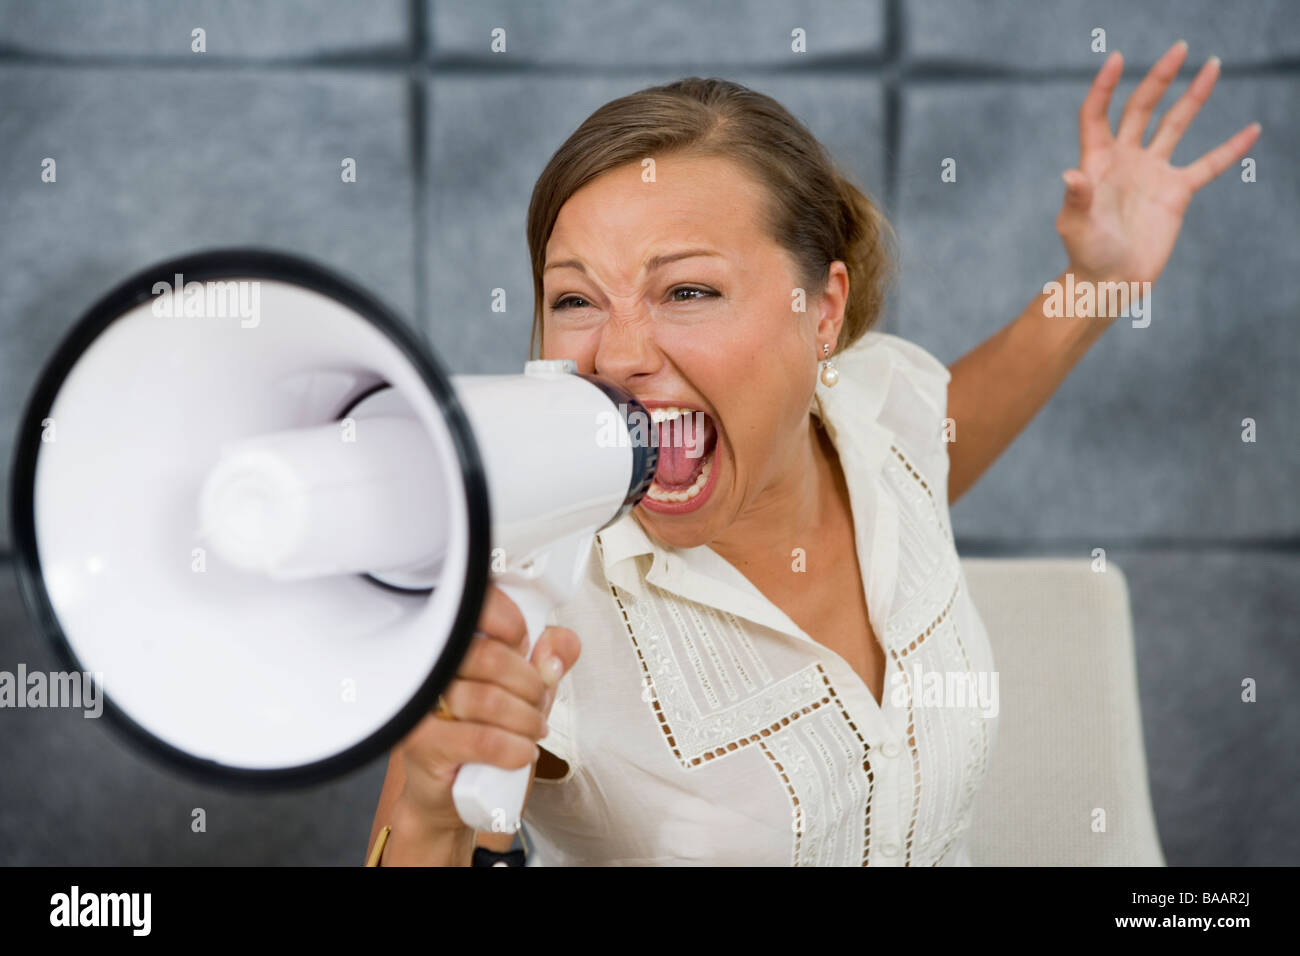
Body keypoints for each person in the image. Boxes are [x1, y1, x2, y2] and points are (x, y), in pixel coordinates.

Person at [367, 41, 1259, 865]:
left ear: (822, 311)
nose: (618, 354)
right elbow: (428, 826)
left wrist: (1098, 283)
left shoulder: (885, 414)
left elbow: (947, 446)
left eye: (686, 289)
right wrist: (431, 814)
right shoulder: (525, 594)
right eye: (574, 300)